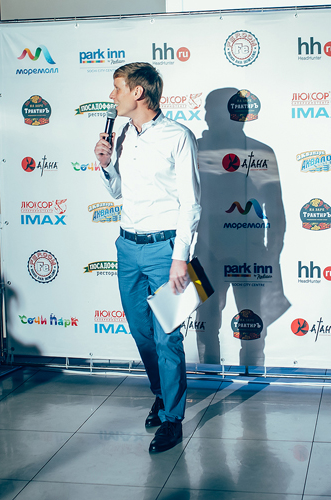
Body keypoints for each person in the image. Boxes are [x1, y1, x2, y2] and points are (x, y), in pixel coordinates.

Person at [94, 62, 201, 453]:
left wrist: (180, 258)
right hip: (127, 248)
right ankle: (160, 393)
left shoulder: (178, 136)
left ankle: (173, 419)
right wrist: (106, 165)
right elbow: (117, 193)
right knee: (142, 332)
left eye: (117, 88)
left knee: (167, 337)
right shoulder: (123, 134)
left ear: (138, 92)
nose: (112, 96)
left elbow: (191, 202)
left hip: (165, 250)